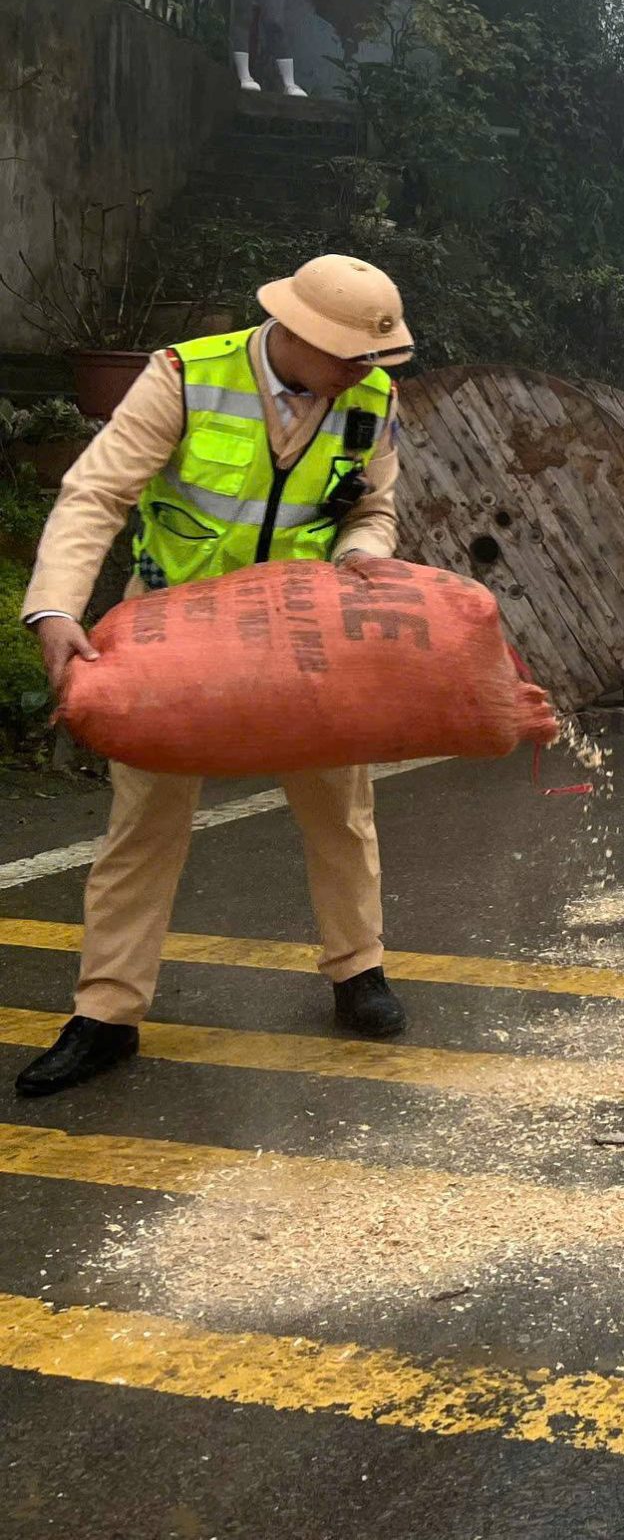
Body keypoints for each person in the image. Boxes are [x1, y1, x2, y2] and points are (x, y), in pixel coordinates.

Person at [14, 255, 414, 1099]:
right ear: (297, 335)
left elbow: (374, 507)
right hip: (173, 635)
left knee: (340, 806)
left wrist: (360, 558)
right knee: (145, 824)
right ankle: (107, 1015)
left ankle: (359, 970)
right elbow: (96, 494)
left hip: (301, 639)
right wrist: (55, 609)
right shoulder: (185, 378)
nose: (365, 372)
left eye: (374, 360)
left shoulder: (370, 401)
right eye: (352, 356)